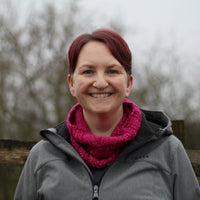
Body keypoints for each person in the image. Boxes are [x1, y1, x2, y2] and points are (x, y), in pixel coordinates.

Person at [14, 29, 200, 200]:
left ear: (128, 83)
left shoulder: (168, 152)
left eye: (112, 71)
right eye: (88, 71)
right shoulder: (42, 155)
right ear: (72, 84)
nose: (101, 82)